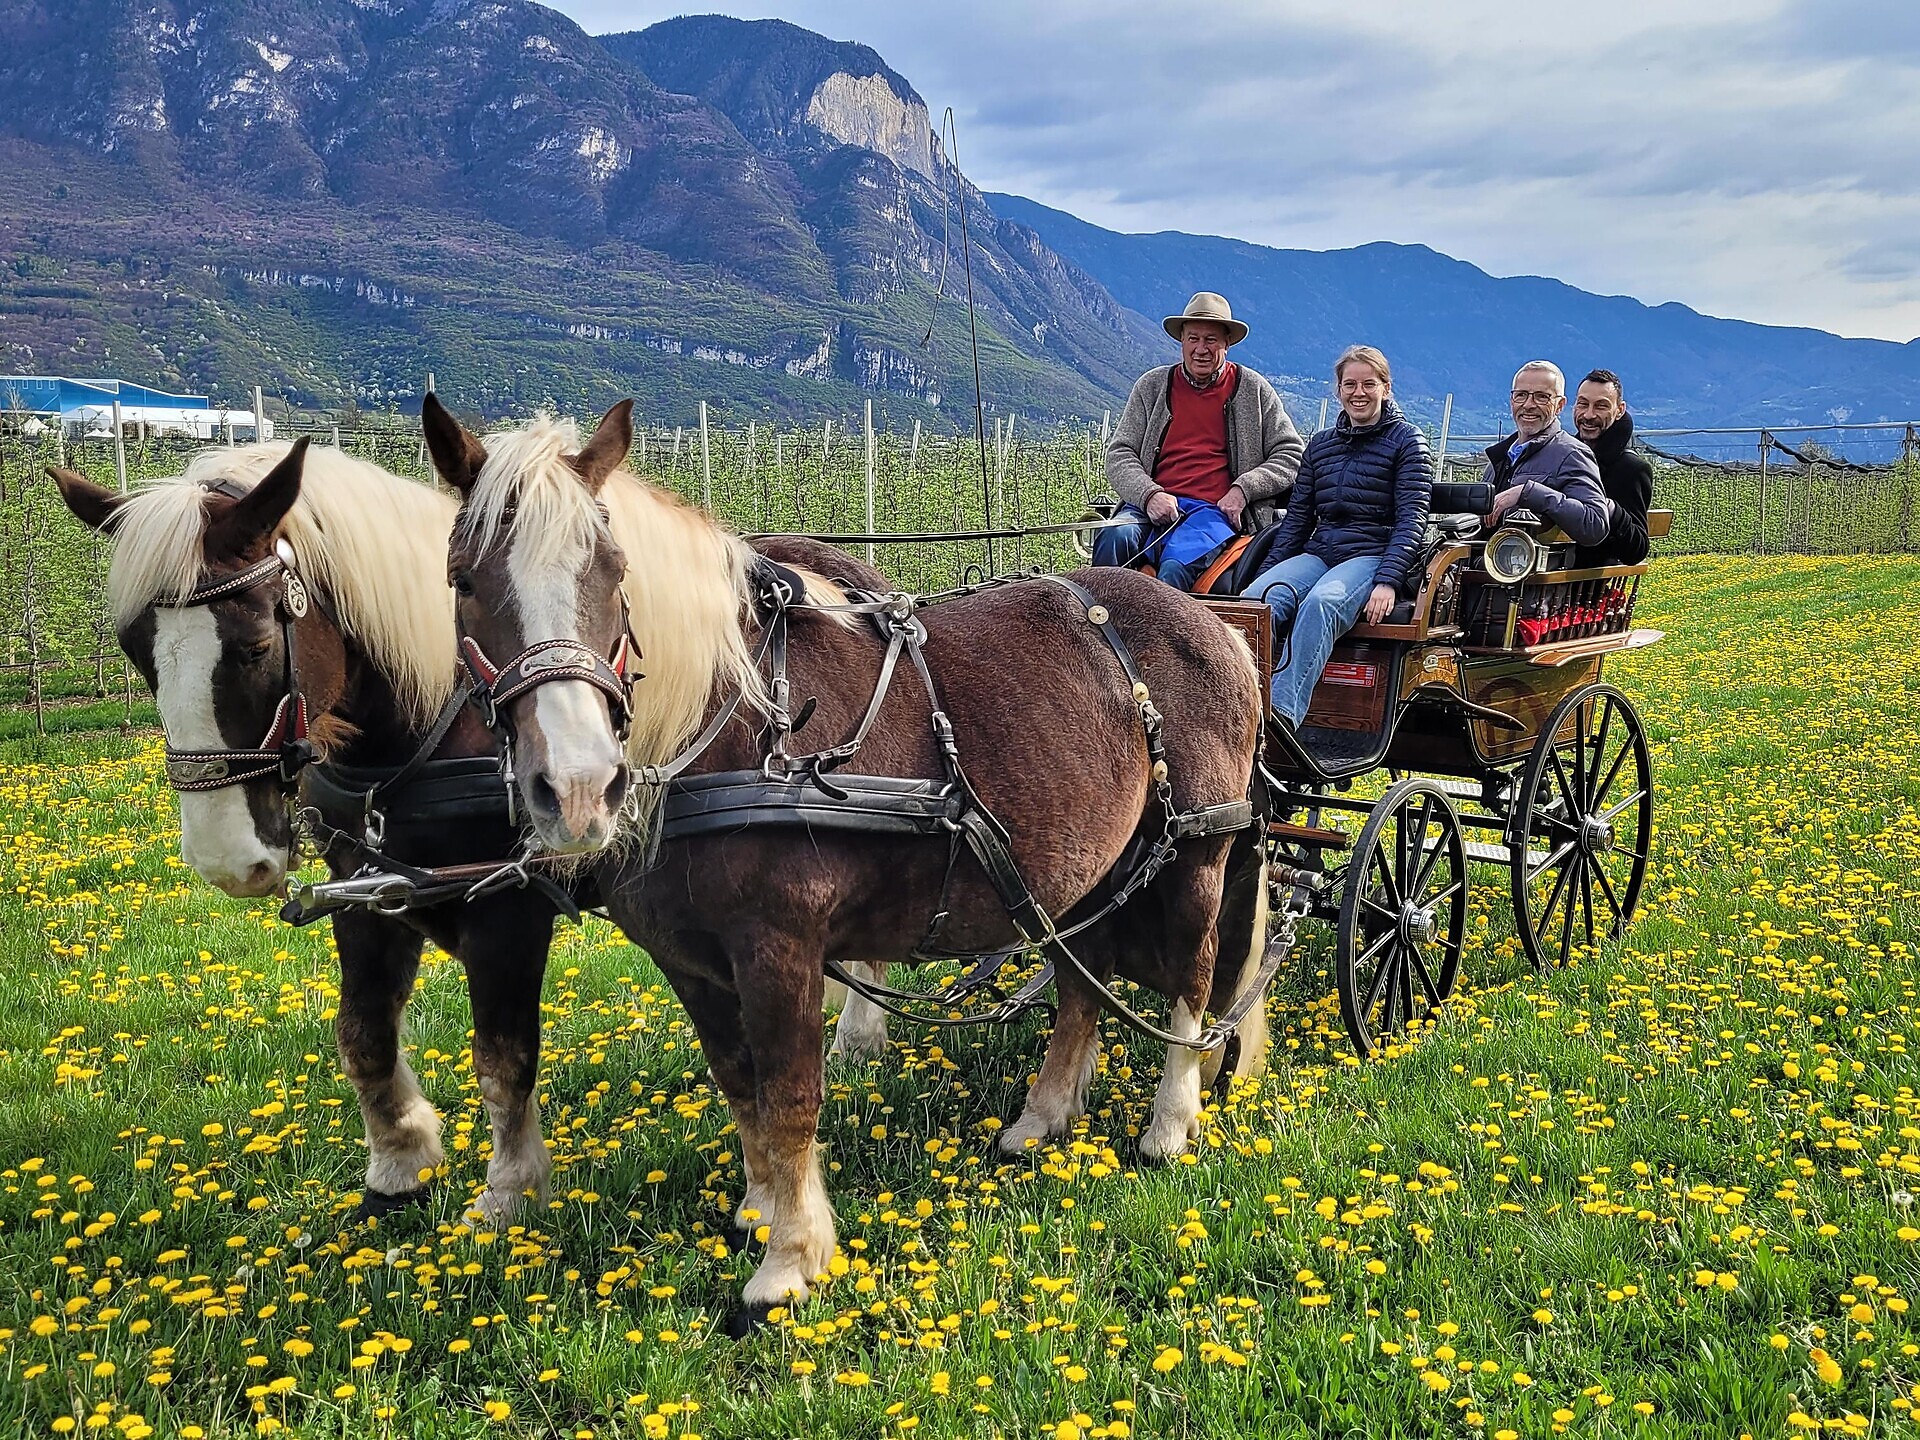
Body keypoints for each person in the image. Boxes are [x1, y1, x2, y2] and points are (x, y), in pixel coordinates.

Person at [1239, 345, 1431, 730]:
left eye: (1369, 384)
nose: (1359, 393)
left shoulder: (1408, 442)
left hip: (1373, 553)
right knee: (1256, 601)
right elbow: (1298, 520)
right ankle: (1241, 703)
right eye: (1350, 385)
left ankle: (1281, 716)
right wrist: (1270, 571)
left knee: (1321, 604)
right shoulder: (1321, 445)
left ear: (1386, 388)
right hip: (1322, 551)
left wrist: (1388, 581)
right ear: (1338, 390)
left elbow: (1412, 520)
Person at [1096, 292, 1305, 590]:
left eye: (1211, 340)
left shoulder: (1253, 389)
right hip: (1150, 505)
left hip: (1212, 513)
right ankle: (1098, 619)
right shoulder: (1152, 386)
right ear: (1181, 340)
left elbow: (1291, 454)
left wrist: (1243, 489)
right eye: (1193, 338)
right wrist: (1149, 495)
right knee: (1113, 536)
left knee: (1174, 568)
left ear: (1227, 344)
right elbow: (1120, 453)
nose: (1201, 349)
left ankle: (1167, 624)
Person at [1484, 360, 1611, 546]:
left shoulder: (1571, 454)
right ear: (1511, 400)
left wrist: (1529, 493)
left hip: (1523, 563)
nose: (1528, 404)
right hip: (1481, 558)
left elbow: (1595, 524)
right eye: (1521, 395)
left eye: (1542, 397)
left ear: (1560, 405)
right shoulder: (1500, 457)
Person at [1569, 369, 1652, 565]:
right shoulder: (1561, 455)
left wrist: (1610, 509)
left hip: (1584, 579)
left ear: (1619, 410)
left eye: (1601, 406)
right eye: (1583, 404)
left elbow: (1637, 549)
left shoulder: (1630, 469)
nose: (1589, 415)